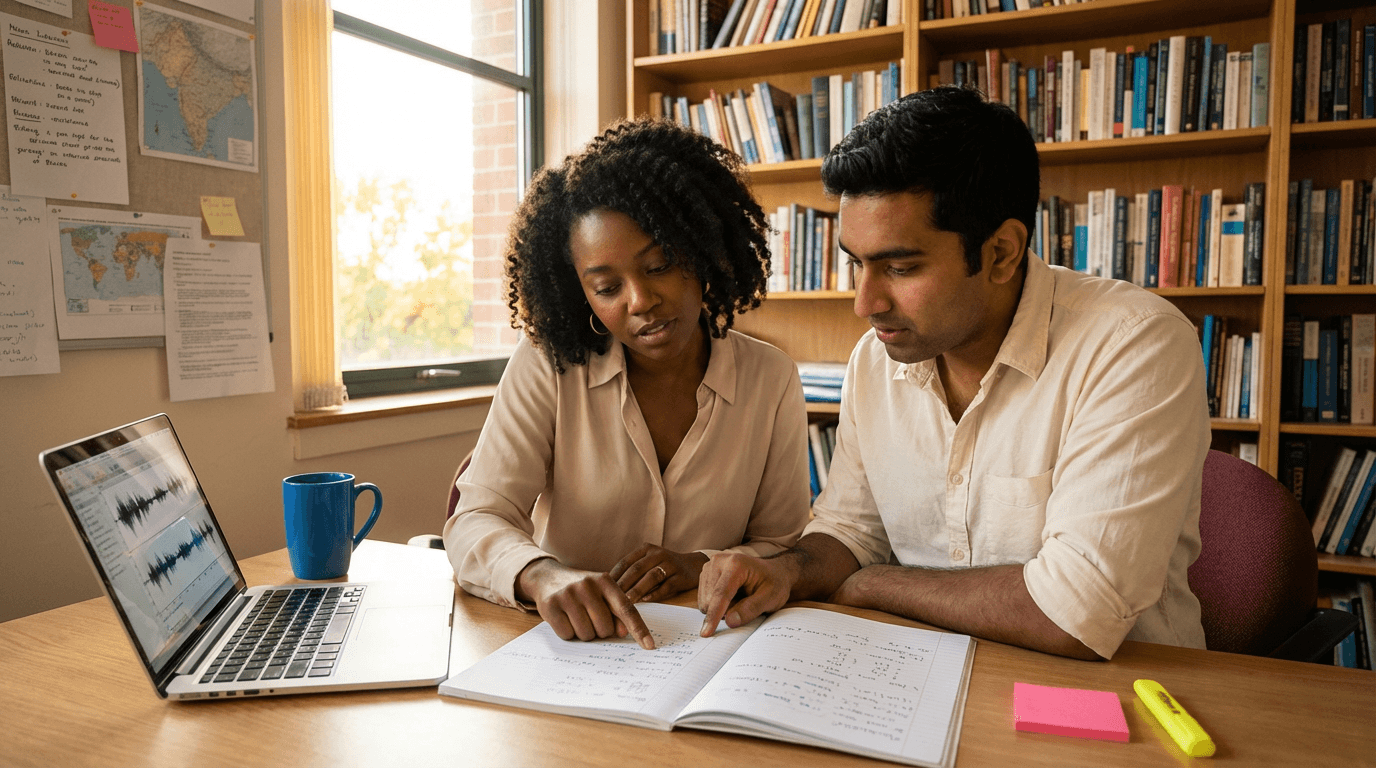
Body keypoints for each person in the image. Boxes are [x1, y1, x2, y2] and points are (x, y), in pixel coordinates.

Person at [698, 86, 1211, 661]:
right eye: (855, 263)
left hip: (1119, 695)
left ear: (1000, 253)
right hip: (917, 678)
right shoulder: (877, 359)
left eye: (899, 266)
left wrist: (873, 585)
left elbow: (1077, 610)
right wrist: (787, 571)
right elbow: (853, 531)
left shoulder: (1133, 343)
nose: (865, 304)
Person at [444, 118, 810, 651]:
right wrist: (543, 575)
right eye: (607, 286)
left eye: (659, 265)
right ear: (581, 295)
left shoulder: (770, 377)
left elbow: (782, 545)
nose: (639, 301)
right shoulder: (549, 366)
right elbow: (476, 518)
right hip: (572, 649)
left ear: (702, 253)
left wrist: (698, 565)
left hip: (711, 648)